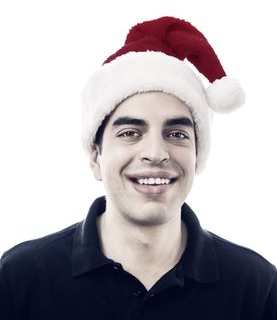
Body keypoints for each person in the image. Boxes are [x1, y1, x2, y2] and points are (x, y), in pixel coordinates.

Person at [0, 16, 276, 319]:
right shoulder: (18, 279)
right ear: (96, 156)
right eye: (130, 133)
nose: (156, 153)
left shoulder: (257, 286)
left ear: (197, 157)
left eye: (177, 134)